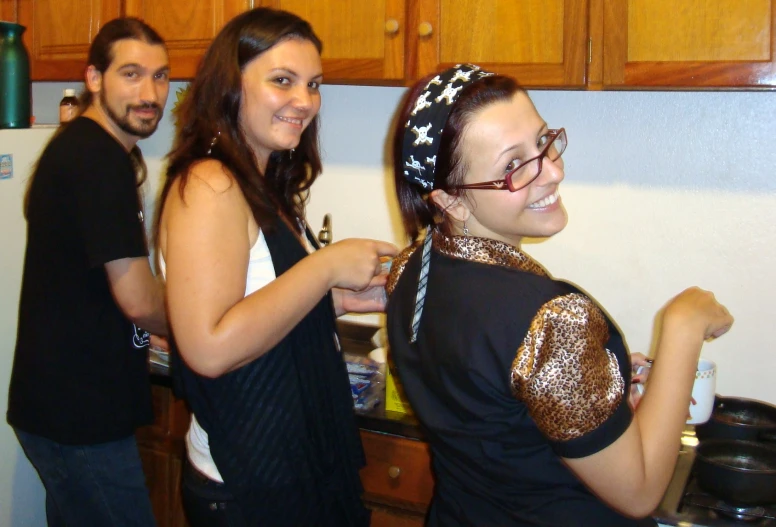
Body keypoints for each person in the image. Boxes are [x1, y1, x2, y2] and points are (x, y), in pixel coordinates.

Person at [385, 64, 734, 527]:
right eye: (512, 166)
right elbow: (640, 492)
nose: (551, 171)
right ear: (449, 201)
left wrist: (592, 380)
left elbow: (491, 406)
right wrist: (683, 327)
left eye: (543, 141)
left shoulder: (410, 269)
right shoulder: (552, 319)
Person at [155, 7, 397, 527]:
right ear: (231, 85)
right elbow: (209, 347)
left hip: (289, 459)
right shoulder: (209, 184)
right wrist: (327, 266)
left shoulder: (260, 183)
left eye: (314, 84)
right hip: (245, 482)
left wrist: (344, 297)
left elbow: (257, 301)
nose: (305, 101)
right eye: (282, 81)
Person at [6, 17, 170, 527]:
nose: (150, 93)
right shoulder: (98, 160)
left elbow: (100, 289)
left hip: (59, 409)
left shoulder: (84, 147)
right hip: (80, 419)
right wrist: (201, 323)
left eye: (161, 76)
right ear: (94, 78)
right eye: (131, 74)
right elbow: (139, 298)